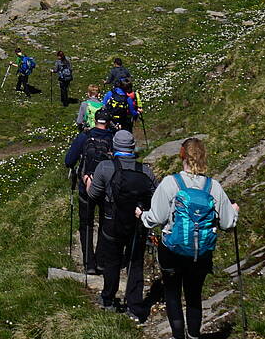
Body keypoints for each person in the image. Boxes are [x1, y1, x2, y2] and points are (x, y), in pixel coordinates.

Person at [143, 138, 239, 339]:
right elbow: (228, 224)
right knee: (194, 295)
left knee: (172, 293)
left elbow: (157, 218)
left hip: (172, 250)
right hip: (201, 252)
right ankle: (194, 336)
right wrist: (234, 211)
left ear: (182, 156)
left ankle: (178, 336)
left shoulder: (171, 183)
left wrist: (142, 215)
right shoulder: (214, 187)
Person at [87, 129, 156, 322]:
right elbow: (156, 197)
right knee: (135, 264)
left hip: (112, 223)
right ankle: (134, 306)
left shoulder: (104, 167)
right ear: (132, 147)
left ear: (114, 147)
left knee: (112, 262)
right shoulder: (145, 171)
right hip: (137, 225)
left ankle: (108, 298)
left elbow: (93, 195)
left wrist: (88, 183)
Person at [63, 111, 116, 271]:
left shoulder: (84, 137)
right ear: (108, 122)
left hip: (85, 186)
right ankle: (100, 261)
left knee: (86, 223)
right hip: (106, 187)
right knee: (103, 222)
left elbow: (69, 161)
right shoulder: (112, 138)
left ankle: (88, 263)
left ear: (94, 120)